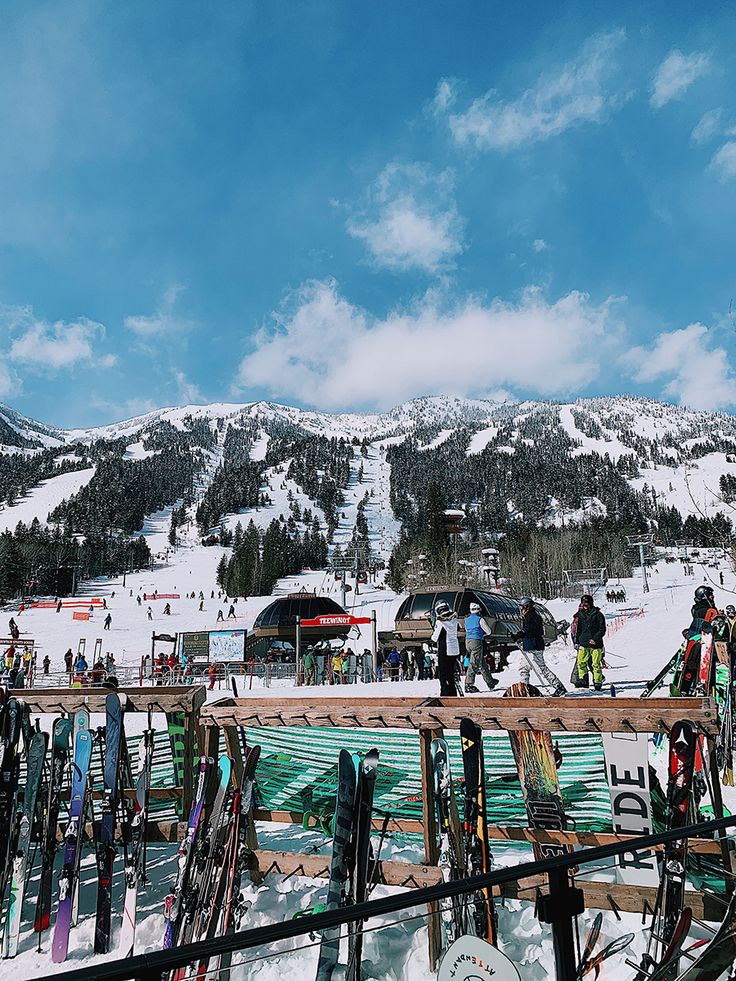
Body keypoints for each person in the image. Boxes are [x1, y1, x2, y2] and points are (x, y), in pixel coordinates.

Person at [516, 597, 566, 696]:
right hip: (529, 646)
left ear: (527, 607)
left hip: (534, 646)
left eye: (522, 607)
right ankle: (523, 689)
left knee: (541, 669)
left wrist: (519, 634)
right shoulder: (529, 616)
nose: (521, 609)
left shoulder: (532, 616)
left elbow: (529, 630)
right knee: (523, 668)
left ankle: (559, 687)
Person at [574, 594, 607, 691]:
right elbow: (579, 628)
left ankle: (597, 682)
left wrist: (595, 638)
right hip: (584, 642)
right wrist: (577, 640)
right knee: (581, 662)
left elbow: (602, 629)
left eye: (587, 603)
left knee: (595, 664)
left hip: (595, 644)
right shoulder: (581, 614)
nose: (585, 605)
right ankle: (583, 679)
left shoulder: (598, 614)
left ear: (591, 603)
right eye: (583, 603)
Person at [463, 602, 497, 693]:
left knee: (482, 663)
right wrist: (482, 633)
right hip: (476, 642)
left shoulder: (466, 620)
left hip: (467, 641)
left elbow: (467, 630)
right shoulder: (480, 619)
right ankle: (468, 684)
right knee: (474, 663)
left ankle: (490, 681)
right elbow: (488, 631)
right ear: (479, 610)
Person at [432, 601, 461, 696]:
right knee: (451, 673)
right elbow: (459, 628)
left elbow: (434, 638)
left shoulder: (440, 622)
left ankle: (445, 693)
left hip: (444, 649)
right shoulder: (454, 619)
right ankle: (453, 692)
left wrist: (434, 630)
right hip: (454, 649)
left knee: (443, 674)